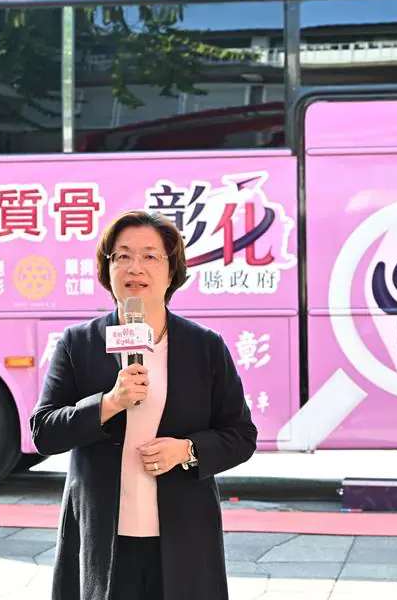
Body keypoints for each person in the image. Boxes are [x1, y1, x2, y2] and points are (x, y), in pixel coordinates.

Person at [29, 210, 258, 600]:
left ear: (171, 272)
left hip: (184, 538)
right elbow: (44, 432)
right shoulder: (79, 343)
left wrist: (186, 450)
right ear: (108, 270)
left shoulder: (204, 347)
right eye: (122, 256)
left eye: (150, 256)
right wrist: (109, 403)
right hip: (102, 537)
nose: (135, 267)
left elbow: (241, 435)